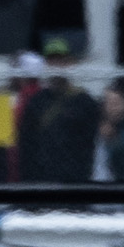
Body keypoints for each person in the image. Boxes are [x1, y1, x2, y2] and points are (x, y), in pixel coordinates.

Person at [18, 41, 104, 184]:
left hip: (75, 183)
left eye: (62, 61)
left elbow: (92, 143)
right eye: (52, 61)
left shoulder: (84, 102)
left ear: (71, 64)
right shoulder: (36, 102)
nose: (57, 66)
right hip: (41, 182)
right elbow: (26, 145)